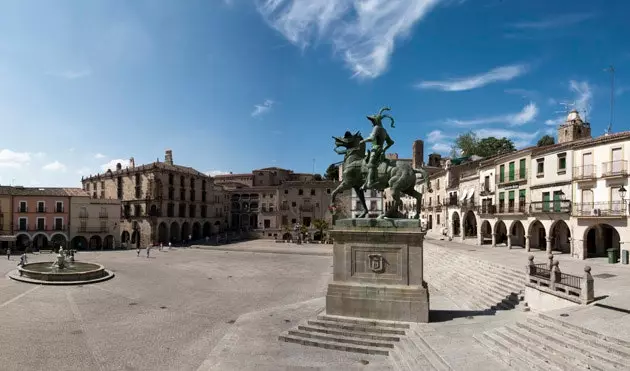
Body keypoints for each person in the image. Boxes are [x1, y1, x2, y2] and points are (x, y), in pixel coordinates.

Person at [360, 107, 396, 190]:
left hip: (375, 149)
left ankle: (370, 182)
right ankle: (367, 181)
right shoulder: (384, 130)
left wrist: (362, 141)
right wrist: (384, 149)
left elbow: (372, 138)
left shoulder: (376, 128)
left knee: (371, 165)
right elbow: (391, 142)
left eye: (372, 121)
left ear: (376, 121)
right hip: (380, 149)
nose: (371, 123)